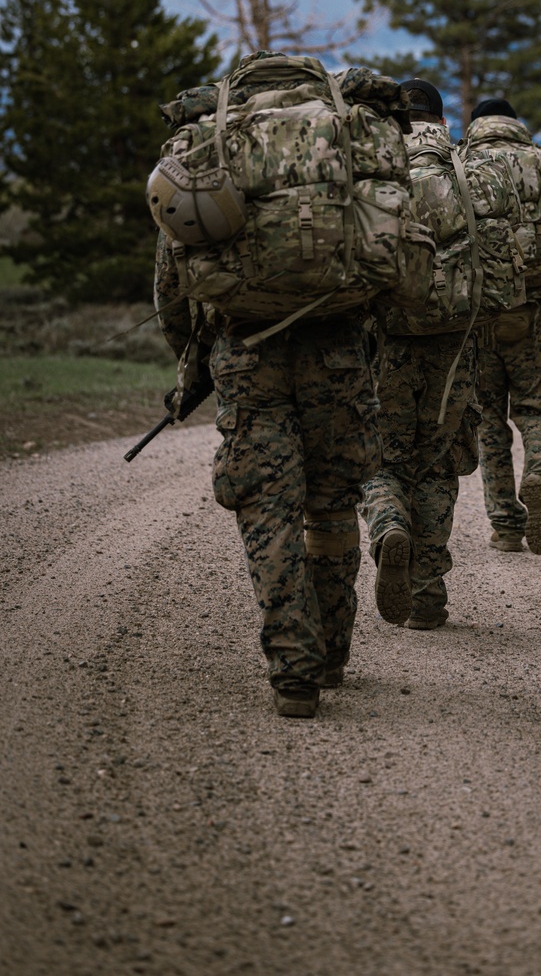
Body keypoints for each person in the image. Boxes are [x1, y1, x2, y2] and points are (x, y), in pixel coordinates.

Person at [152, 53, 415, 719]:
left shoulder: (214, 135)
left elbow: (174, 279)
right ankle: (331, 651)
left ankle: (292, 667)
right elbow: (398, 249)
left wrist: (191, 368)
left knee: (267, 506)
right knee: (330, 502)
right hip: (338, 349)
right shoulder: (348, 128)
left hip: (247, 353)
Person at [361, 80, 522, 630]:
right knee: (438, 461)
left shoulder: (375, 163)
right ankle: (428, 595)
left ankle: (387, 525)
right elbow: (505, 262)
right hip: (457, 341)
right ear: (441, 119)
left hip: (386, 341)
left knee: (382, 456)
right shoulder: (468, 168)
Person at [462, 98, 541, 554]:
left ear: (476, 126)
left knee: (488, 419)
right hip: (536, 311)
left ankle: (506, 524)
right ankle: (540, 475)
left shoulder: (462, 163)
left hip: (480, 314)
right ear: (516, 124)